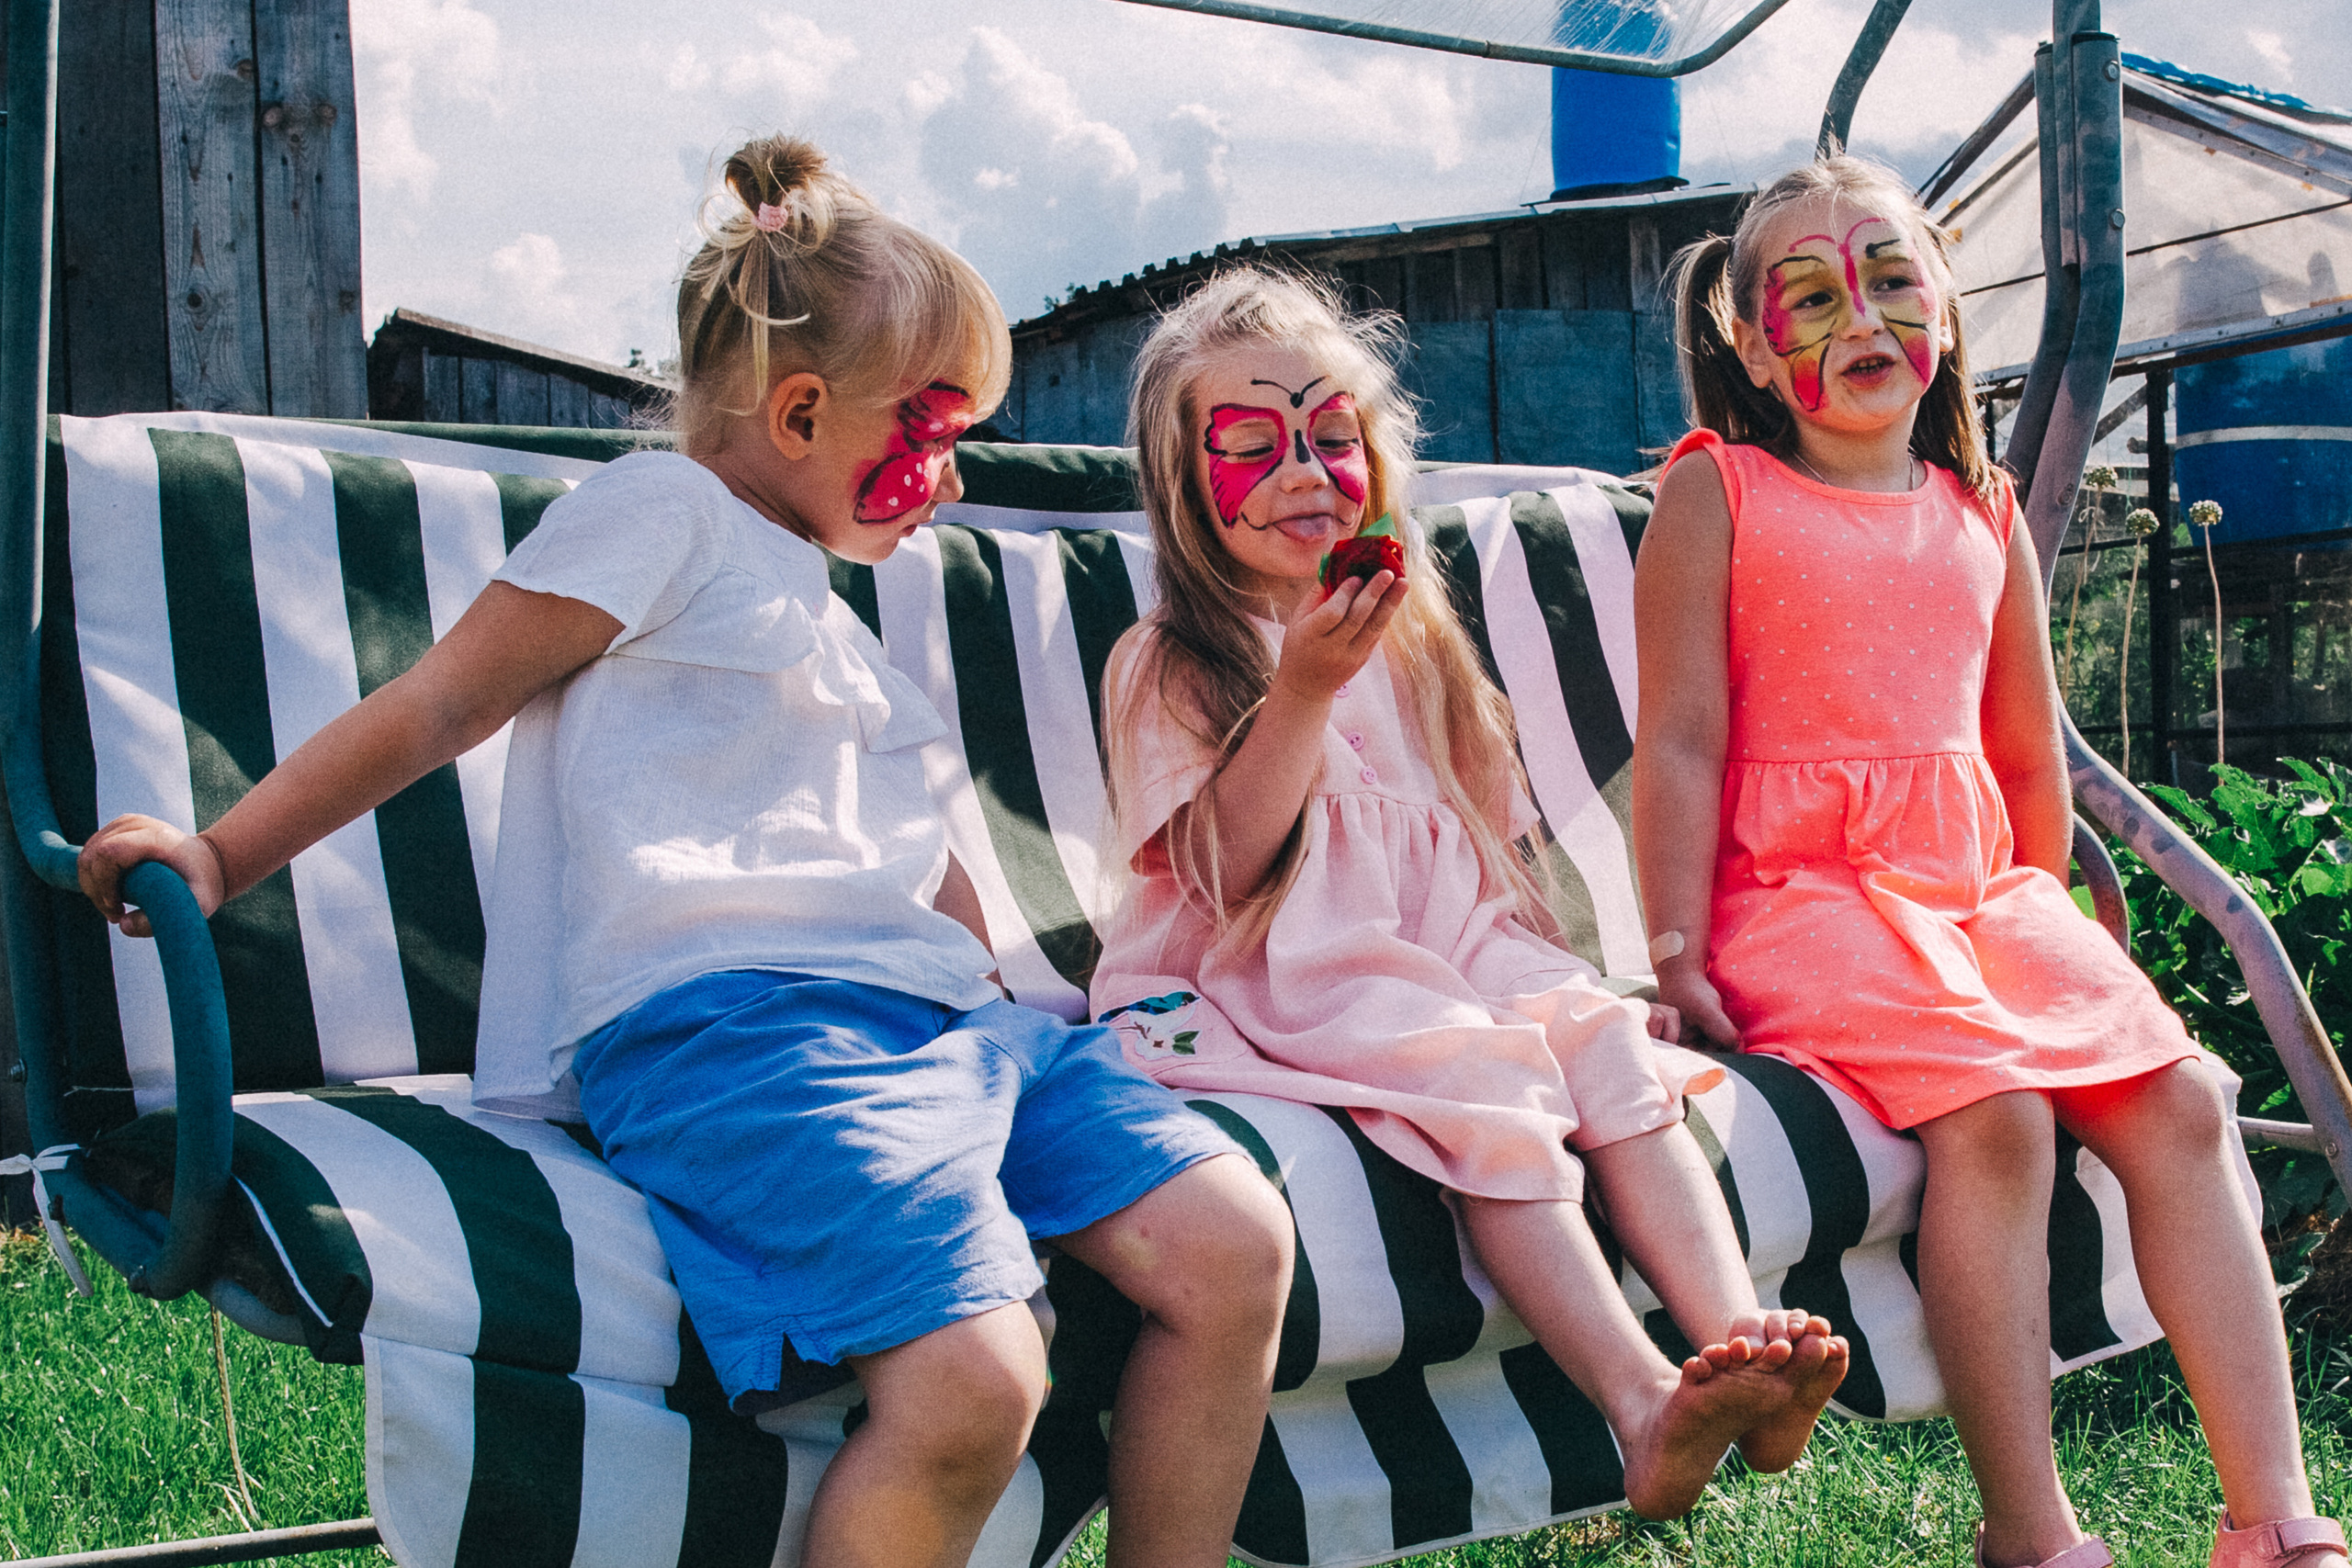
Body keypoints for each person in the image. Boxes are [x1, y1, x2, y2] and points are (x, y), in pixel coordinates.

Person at [77, 138, 1295, 1568]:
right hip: (741, 1039)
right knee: (976, 1383)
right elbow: (442, 698)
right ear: (796, 412)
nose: (953, 471)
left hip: (954, 1034)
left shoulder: (832, 622)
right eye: (937, 424)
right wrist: (220, 857)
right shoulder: (663, 518)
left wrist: (1029, 1007)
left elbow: (923, 873)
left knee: (1237, 1250)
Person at [1633, 153, 2348, 1568]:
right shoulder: (1719, 493)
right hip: (1801, 897)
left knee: (2185, 1100)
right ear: (1753, 346)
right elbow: (1682, 744)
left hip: (1979, 896)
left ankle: (2273, 1521)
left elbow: (2025, 757)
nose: (1860, 319)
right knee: (2001, 1120)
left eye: (1892, 279)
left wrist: (2050, 950)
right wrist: (1670, 949)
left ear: (1950, 312)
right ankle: (2033, 1530)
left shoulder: (1985, 513)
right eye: (1813, 294)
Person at [1090, 265, 1848, 1524]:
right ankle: (1642, 1399)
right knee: (1486, 1078)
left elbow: (1486, 849)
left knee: (1600, 1044)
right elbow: (1222, 873)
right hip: (1278, 961)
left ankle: (1743, 1355)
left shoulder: (1417, 639)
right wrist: (1301, 695)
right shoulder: (1171, 660)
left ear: (1379, 464)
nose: (1303, 470)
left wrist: (1566, 985)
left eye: (1333, 438)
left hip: (1449, 946)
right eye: (1252, 446)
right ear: (1184, 486)